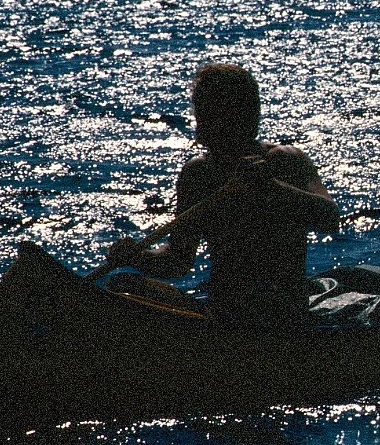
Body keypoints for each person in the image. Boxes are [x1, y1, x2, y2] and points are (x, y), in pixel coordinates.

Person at [106, 63, 340, 324]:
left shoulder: (284, 160)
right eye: (200, 110)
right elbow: (178, 260)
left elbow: (330, 218)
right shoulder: (199, 173)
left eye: (207, 110)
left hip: (282, 307)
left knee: (264, 299)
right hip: (223, 311)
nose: (200, 119)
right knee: (122, 285)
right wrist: (136, 257)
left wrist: (272, 188)